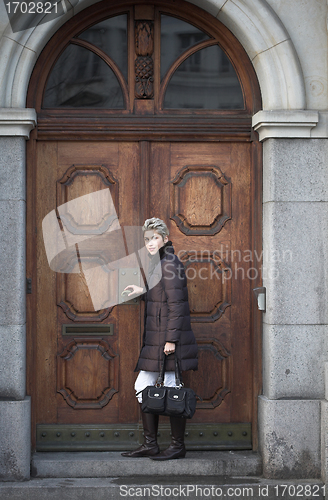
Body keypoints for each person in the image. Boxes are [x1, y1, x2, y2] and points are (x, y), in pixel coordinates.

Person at [121, 217, 198, 460]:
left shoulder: (169, 263)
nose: (150, 242)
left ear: (165, 239)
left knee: (171, 389)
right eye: (147, 239)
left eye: (155, 238)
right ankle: (151, 445)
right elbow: (164, 295)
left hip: (166, 341)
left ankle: (176, 447)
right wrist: (142, 291)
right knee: (145, 386)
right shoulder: (162, 263)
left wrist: (172, 340)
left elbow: (177, 305)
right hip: (159, 340)